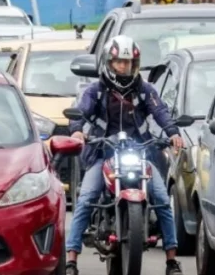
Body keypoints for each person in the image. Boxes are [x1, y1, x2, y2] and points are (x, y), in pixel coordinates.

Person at [65, 36, 185, 275]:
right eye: (119, 62)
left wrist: (173, 133)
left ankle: (172, 260)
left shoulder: (144, 90)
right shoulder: (95, 91)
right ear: (109, 63)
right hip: (103, 153)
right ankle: (71, 259)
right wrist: (77, 131)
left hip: (140, 154)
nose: (123, 67)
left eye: (128, 63)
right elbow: (79, 113)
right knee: (87, 196)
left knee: (162, 198)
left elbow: (160, 111)